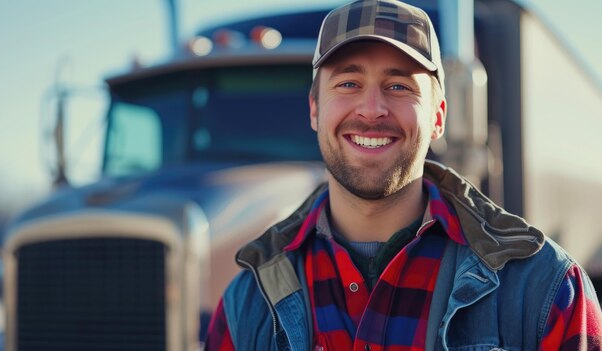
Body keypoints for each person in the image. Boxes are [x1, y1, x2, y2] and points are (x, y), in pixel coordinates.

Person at [205, 0, 602, 349]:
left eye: (398, 86)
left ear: (439, 117)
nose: (372, 108)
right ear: (314, 110)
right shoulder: (247, 304)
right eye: (348, 83)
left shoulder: (546, 289)